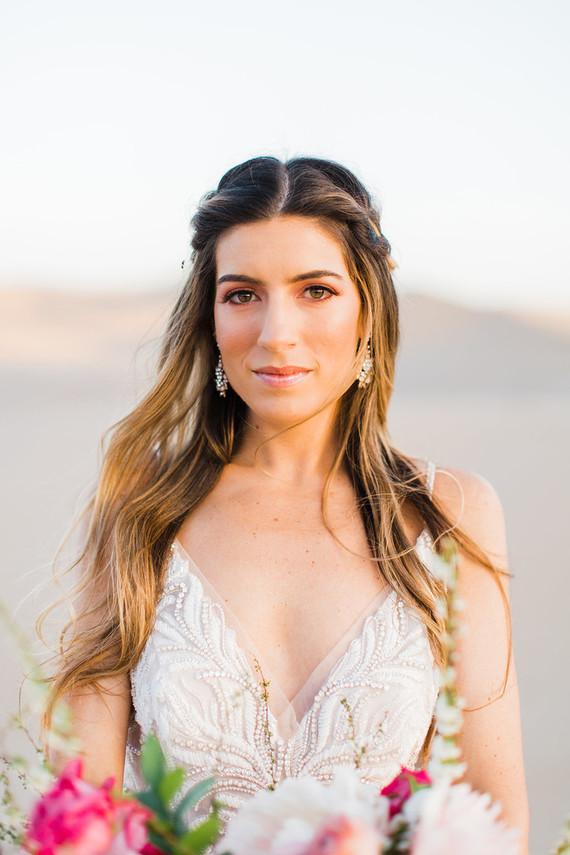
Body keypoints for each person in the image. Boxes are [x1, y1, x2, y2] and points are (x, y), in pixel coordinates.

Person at [43, 156, 529, 848]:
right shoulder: (141, 506)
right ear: (210, 316)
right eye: (242, 294)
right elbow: (80, 823)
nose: (276, 333)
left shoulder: (450, 512)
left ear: (367, 310)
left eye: (316, 290)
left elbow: (495, 816)